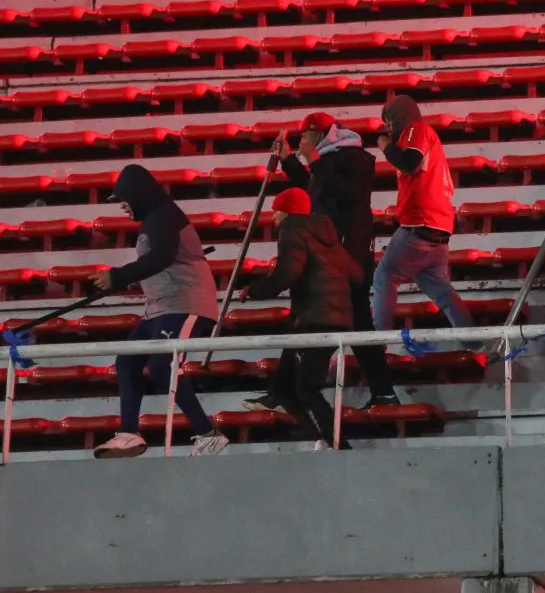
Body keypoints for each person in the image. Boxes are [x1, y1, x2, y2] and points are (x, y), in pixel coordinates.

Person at [255, 111, 400, 410]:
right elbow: (314, 190)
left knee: (348, 320)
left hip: (346, 253)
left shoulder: (354, 158)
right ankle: (282, 389)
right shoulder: (326, 160)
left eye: (306, 135)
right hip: (328, 254)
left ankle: (383, 392)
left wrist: (314, 161)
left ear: (322, 135)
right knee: (311, 317)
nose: (303, 141)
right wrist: (289, 161)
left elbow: (347, 194)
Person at [89, 165, 229, 458]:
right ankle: (129, 433)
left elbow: (162, 258)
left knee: (161, 365)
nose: (122, 207)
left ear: (137, 194)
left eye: (123, 200)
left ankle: (208, 434)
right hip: (160, 308)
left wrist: (118, 276)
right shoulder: (155, 218)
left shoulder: (165, 216)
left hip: (185, 305)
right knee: (127, 361)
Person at [240, 188, 362, 450]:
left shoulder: (292, 230)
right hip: (330, 318)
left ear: (287, 211)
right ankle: (322, 438)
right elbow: (357, 274)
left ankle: (339, 448)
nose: (273, 218)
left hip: (313, 320)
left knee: (306, 388)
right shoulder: (329, 236)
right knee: (283, 387)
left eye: (276, 212)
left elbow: (286, 274)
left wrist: (255, 290)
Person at [373, 96, 480, 347]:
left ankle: (377, 342)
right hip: (438, 227)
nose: (387, 127)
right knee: (438, 288)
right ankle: (474, 341)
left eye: (390, 120)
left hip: (420, 222)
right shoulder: (420, 134)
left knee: (384, 277)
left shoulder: (417, 129)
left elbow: (410, 161)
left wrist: (386, 147)